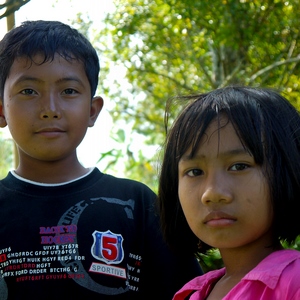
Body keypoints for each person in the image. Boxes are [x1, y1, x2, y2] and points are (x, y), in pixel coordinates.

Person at [0, 20, 202, 300]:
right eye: (28, 91)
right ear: (1, 110)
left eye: (68, 91)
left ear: (92, 111)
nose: (50, 109)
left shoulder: (138, 204)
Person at [157, 86, 300, 299]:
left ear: (287, 171)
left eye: (239, 166)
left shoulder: (294, 282)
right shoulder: (191, 293)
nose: (212, 193)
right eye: (195, 172)